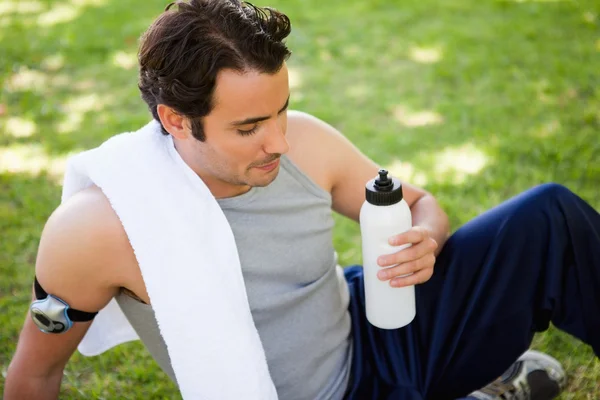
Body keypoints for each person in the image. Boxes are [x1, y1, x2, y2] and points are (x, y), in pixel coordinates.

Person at [4, 1, 599, 399]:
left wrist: (428, 237)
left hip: (374, 323)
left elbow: (420, 203)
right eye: (249, 127)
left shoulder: (306, 142)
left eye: (283, 110)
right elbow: (37, 370)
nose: (280, 142)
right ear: (176, 120)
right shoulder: (98, 231)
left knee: (549, 217)